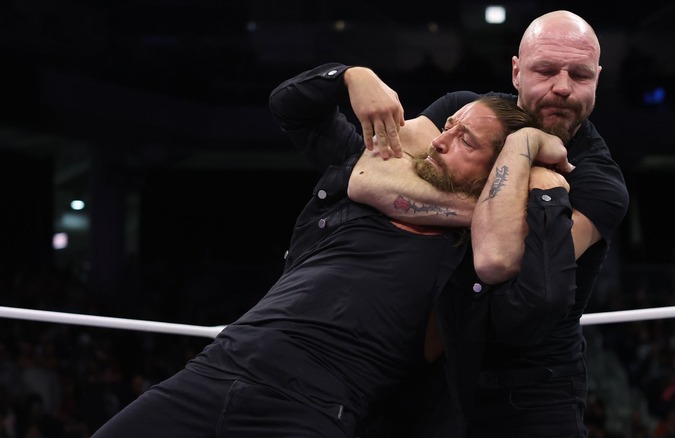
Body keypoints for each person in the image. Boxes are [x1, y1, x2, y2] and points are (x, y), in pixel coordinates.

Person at [91, 63, 572, 437]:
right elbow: (291, 106)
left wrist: (524, 149)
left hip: (315, 403)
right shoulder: (367, 182)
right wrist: (350, 75)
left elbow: (521, 280)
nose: (441, 142)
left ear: (497, 169)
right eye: (448, 126)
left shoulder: (474, 252)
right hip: (220, 366)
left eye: (464, 139)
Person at [348, 9, 630, 437]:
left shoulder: (598, 182)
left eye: (580, 74)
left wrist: (449, 202)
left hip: (531, 390)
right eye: (546, 70)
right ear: (516, 72)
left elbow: (512, 257)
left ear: (598, 77)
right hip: (422, 369)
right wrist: (493, 198)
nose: (562, 87)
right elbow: (370, 179)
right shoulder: (463, 113)